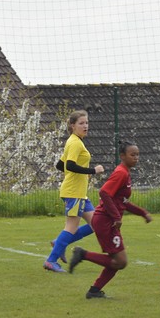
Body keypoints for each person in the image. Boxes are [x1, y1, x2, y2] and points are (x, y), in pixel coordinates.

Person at [68, 140, 152, 299]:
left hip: (108, 221)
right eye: (132, 155)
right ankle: (82, 254)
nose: (136, 158)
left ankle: (94, 291)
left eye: (137, 155)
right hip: (105, 221)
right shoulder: (121, 173)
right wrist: (116, 217)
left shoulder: (125, 173)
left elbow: (122, 202)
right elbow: (104, 192)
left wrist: (143, 213)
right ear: (122, 156)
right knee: (120, 261)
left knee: (117, 261)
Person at [44, 110, 104, 272]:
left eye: (86, 123)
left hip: (79, 193)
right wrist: (93, 171)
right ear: (72, 126)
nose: (85, 126)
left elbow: (60, 165)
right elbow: (69, 165)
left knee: (96, 224)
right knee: (71, 227)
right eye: (81, 123)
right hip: (73, 193)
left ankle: (59, 242)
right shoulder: (75, 143)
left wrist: (78, 174)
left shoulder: (74, 141)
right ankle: (51, 260)